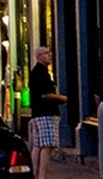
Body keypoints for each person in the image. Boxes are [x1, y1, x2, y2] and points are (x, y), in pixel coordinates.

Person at [29, 46, 67, 179]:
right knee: (47, 146)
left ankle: (35, 172)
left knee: (38, 145)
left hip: (37, 114)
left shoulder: (37, 72)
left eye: (49, 52)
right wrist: (61, 98)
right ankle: (42, 175)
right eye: (46, 53)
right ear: (38, 56)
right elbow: (44, 94)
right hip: (46, 113)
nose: (49, 55)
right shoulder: (41, 72)